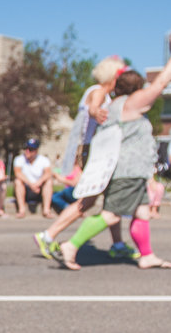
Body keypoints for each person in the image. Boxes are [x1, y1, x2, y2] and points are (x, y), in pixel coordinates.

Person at [56, 34, 171, 271]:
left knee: (142, 212)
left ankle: (147, 255)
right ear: (137, 88)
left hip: (126, 170)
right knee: (112, 215)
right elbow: (161, 83)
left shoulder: (112, 107)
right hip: (127, 171)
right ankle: (71, 246)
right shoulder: (132, 103)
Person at [33, 57, 127, 257]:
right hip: (94, 152)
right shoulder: (99, 91)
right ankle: (47, 236)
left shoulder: (97, 91)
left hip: (91, 150)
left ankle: (118, 245)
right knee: (89, 201)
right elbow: (93, 107)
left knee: (111, 199)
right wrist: (97, 113)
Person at [12, 138, 53, 218]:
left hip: (39, 190)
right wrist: (31, 184)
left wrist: (38, 183)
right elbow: (18, 173)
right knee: (18, 181)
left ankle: (46, 210)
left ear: (36, 150)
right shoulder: (19, 159)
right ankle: (21, 210)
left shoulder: (44, 160)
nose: (27, 151)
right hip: (26, 188)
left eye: (30, 149)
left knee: (49, 182)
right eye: (26, 148)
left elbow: (48, 173)